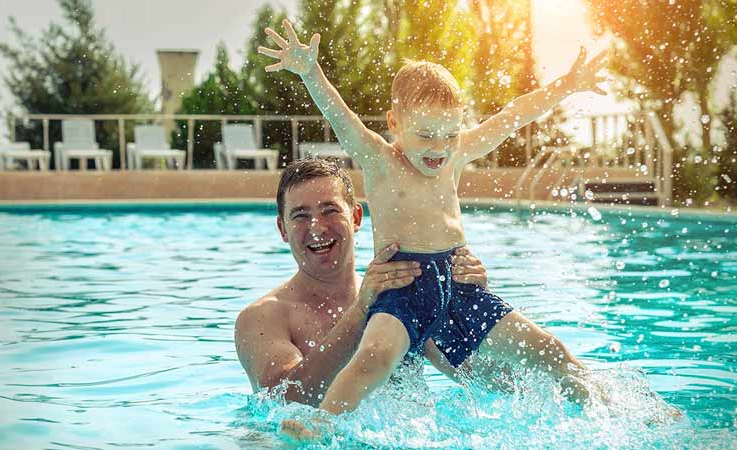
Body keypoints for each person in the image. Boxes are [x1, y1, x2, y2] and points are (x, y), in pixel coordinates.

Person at [259, 19, 608, 419]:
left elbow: (513, 116)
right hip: (403, 284)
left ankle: (606, 402)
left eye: (449, 134)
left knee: (546, 348)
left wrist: (566, 85)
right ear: (395, 124)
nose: (439, 148)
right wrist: (310, 72)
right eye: (425, 135)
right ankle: (321, 422)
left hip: (458, 284)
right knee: (372, 360)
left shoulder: (454, 155)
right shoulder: (381, 161)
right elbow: (342, 117)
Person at [234, 158, 490, 405]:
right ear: (283, 229)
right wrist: (360, 311)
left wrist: (469, 306)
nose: (317, 227)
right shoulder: (262, 318)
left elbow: (486, 381)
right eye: (300, 216)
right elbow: (284, 401)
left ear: (356, 217)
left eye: (329, 210)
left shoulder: (399, 297)